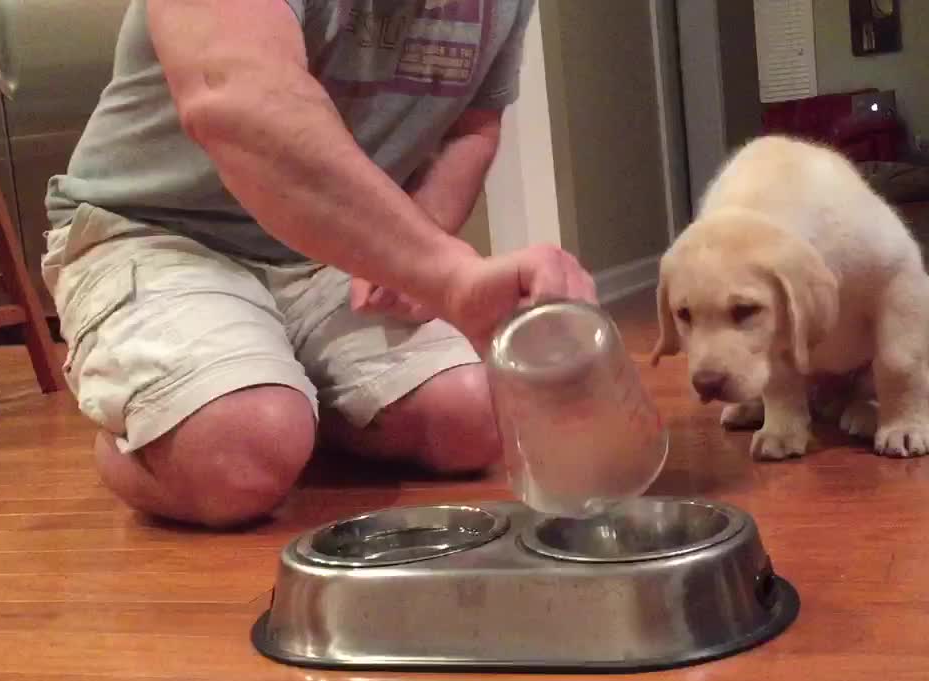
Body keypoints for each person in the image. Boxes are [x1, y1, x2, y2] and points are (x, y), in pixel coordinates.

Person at [40, 0, 596, 528]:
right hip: (152, 229)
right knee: (236, 449)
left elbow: (472, 126)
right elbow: (237, 98)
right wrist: (447, 272)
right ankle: (152, 430)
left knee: (471, 419)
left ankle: (271, 392)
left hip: (326, 250)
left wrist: (411, 252)